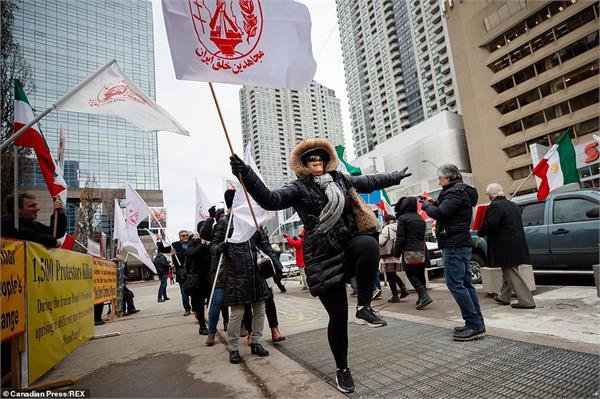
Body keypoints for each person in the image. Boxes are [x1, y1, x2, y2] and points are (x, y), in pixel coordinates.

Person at [230, 138, 411, 393]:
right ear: (304, 164)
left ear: (327, 161)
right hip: (322, 258)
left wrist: (395, 177)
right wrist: (246, 174)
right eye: (311, 159)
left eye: (320, 158)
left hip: (347, 247)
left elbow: (370, 181)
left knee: (369, 245)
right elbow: (270, 199)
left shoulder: (340, 179)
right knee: (337, 317)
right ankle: (342, 368)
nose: (317, 162)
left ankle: (364, 306)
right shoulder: (297, 188)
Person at [209, 190, 276, 364]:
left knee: (260, 310)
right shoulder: (224, 223)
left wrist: (276, 262)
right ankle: (233, 348)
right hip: (236, 274)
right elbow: (213, 246)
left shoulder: (253, 221)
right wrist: (219, 248)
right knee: (237, 314)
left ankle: (256, 342)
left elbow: (264, 243)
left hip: (256, 273)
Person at [421, 164, 485, 341]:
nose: (439, 181)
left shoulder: (454, 192)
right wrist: (435, 202)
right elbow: (448, 210)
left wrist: (427, 206)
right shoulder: (458, 191)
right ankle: (476, 323)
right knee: (465, 284)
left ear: (448, 178)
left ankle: (474, 325)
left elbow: (441, 213)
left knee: (455, 284)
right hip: (459, 243)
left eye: (440, 178)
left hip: (454, 244)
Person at [478, 183, 536, 309]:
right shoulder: (513, 205)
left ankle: (527, 301)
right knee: (508, 270)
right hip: (516, 243)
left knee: (511, 272)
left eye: (487, 194)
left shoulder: (494, 206)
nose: (487, 196)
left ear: (490, 195)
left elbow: (491, 225)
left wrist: (480, 231)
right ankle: (503, 297)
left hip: (504, 245)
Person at [394, 197, 432, 309]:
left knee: (410, 273)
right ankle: (422, 297)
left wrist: (396, 253)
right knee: (420, 273)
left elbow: (400, 239)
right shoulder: (420, 218)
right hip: (422, 251)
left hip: (409, 251)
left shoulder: (403, 219)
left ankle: (424, 295)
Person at [1, 193, 66, 247]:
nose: (38, 208)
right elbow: (28, 235)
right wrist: (52, 242)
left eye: (36, 205)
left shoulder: (31, 224)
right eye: (32, 206)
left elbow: (55, 233)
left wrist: (59, 214)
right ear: (17, 209)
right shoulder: (6, 223)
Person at [186, 220, 213, 335]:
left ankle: (224, 321)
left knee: (215, 301)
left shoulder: (212, 240)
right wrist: (202, 243)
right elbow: (192, 254)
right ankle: (202, 325)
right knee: (199, 303)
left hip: (211, 275)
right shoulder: (193, 241)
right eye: (203, 228)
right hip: (199, 277)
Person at [158, 230, 192, 316]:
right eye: (183, 235)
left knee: (194, 291)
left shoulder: (192, 244)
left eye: (186, 235)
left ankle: (195, 308)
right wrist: (160, 241)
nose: (185, 237)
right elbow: (162, 249)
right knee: (184, 292)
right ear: (179, 237)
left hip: (192, 271)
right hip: (181, 272)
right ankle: (187, 309)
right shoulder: (175, 245)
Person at [379, 215, 409, 303]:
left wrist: (379, 236)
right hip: (397, 253)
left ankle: (395, 296)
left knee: (390, 275)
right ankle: (403, 288)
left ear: (387, 221)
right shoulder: (400, 227)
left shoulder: (387, 228)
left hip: (388, 254)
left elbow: (381, 241)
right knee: (393, 274)